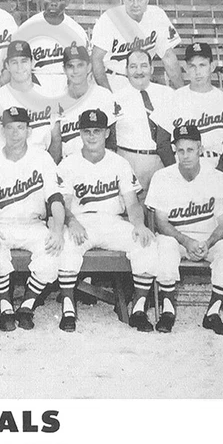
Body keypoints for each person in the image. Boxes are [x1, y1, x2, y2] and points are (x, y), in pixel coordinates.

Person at [57, 109, 159, 333]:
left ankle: (139, 309)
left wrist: (139, 225)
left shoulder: (119, 163)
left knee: (147, 243)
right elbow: (62, 203)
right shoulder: (68, 163)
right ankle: (68, 308)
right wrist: (71, 221)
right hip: (82, 222)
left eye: (97, 131)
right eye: (86, 131)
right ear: (79, 134)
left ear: (106, 133)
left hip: (112, 222)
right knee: (66, 244)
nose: (91, 136)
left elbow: (132, 203)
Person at [0, 107, 65, 332]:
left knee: (53, 252)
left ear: (29, 131)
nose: (15, 133)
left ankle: (27, 305)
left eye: (20, 127)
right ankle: (5, 304)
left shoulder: (43, 158)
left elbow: (56, 199)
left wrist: (57, 229)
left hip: (33, 224)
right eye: (10, 128)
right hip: (0, 224)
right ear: (2, 131)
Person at [146, 124, 223, 336]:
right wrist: (186, 241)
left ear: (200, 148)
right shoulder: (163, 177)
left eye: (190, 150)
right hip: (178, 240)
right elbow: (161, 222)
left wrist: (206, 244)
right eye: (180, 150)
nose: (185, 156)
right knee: (163, 244)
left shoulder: (217, 177)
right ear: (175, 150)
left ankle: (213, 312)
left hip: (208, 241)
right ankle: (168, 310)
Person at [150, 42, 223, 175]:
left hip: (214, 164)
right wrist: (175, 172)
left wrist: (220, 173)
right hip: (182, 166)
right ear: (185, 68)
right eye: (192, 66)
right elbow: (162, 143)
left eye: (202, 65)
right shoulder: (174, 99)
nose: (197, 72)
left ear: (212, 66)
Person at [91, 0, 184, 92]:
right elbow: (96, 59)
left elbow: (168, 57)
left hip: (143, 80)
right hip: (114, 79)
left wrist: (182, 91)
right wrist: (108, 94)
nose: (135, 4)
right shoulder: (109, 18)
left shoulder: (157, 15)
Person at [12, 0, 87, 96]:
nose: (53, 2)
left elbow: (85, 68)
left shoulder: (77, 31)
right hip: (35, 84)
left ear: (67, 1)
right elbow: (15, 65)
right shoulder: (27, 28)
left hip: (67, 85)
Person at [112, 49, 174, 195]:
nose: (139, 71)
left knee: (160, 212)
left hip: (160, 162)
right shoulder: (115, 98)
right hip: (129, 162)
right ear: (126, 70)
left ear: (152, 69)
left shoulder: (168, 94)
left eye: (143, 66)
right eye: (133, 66)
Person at [55, 43, 123, 162]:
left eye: (80, 65)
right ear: (64, 69)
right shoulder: (57, 99)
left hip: (98, 164)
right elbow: (55, 141)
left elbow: (112, 139)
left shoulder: (103, 95)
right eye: (70, 66)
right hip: (68, 164)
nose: (75, 71)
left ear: (89, 67)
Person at [0, 40, 56, 153]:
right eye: (14, 62)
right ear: (7, 65)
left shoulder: (48, 96)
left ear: (32, 63)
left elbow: (56, 139)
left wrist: (47, 168)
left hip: (40, 161)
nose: (19, 67)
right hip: (6, 164)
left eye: (24, 61)